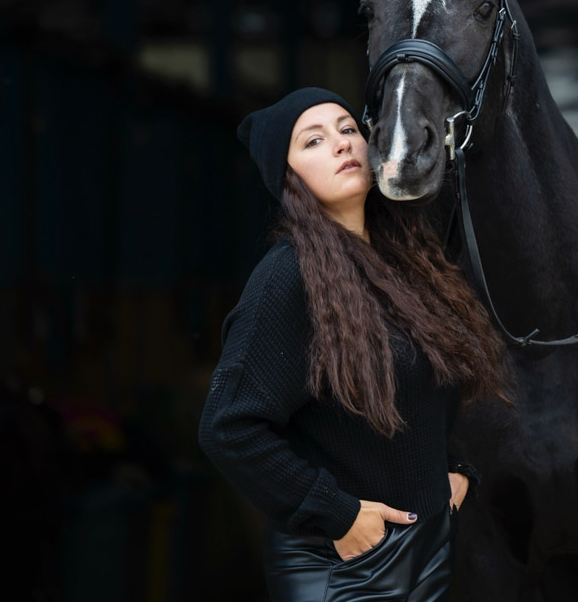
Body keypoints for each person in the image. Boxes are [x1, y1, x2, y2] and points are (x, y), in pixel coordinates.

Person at [198, 87, 509, 601]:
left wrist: (452, 472)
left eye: (348, 130)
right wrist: (337, 514)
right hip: (344, 560)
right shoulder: (288, 278)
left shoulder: (407, 265)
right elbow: (228, 427)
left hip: (427, 548)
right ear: (288, 176)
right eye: (314, 141)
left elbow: (419, 401)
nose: (342, 144)